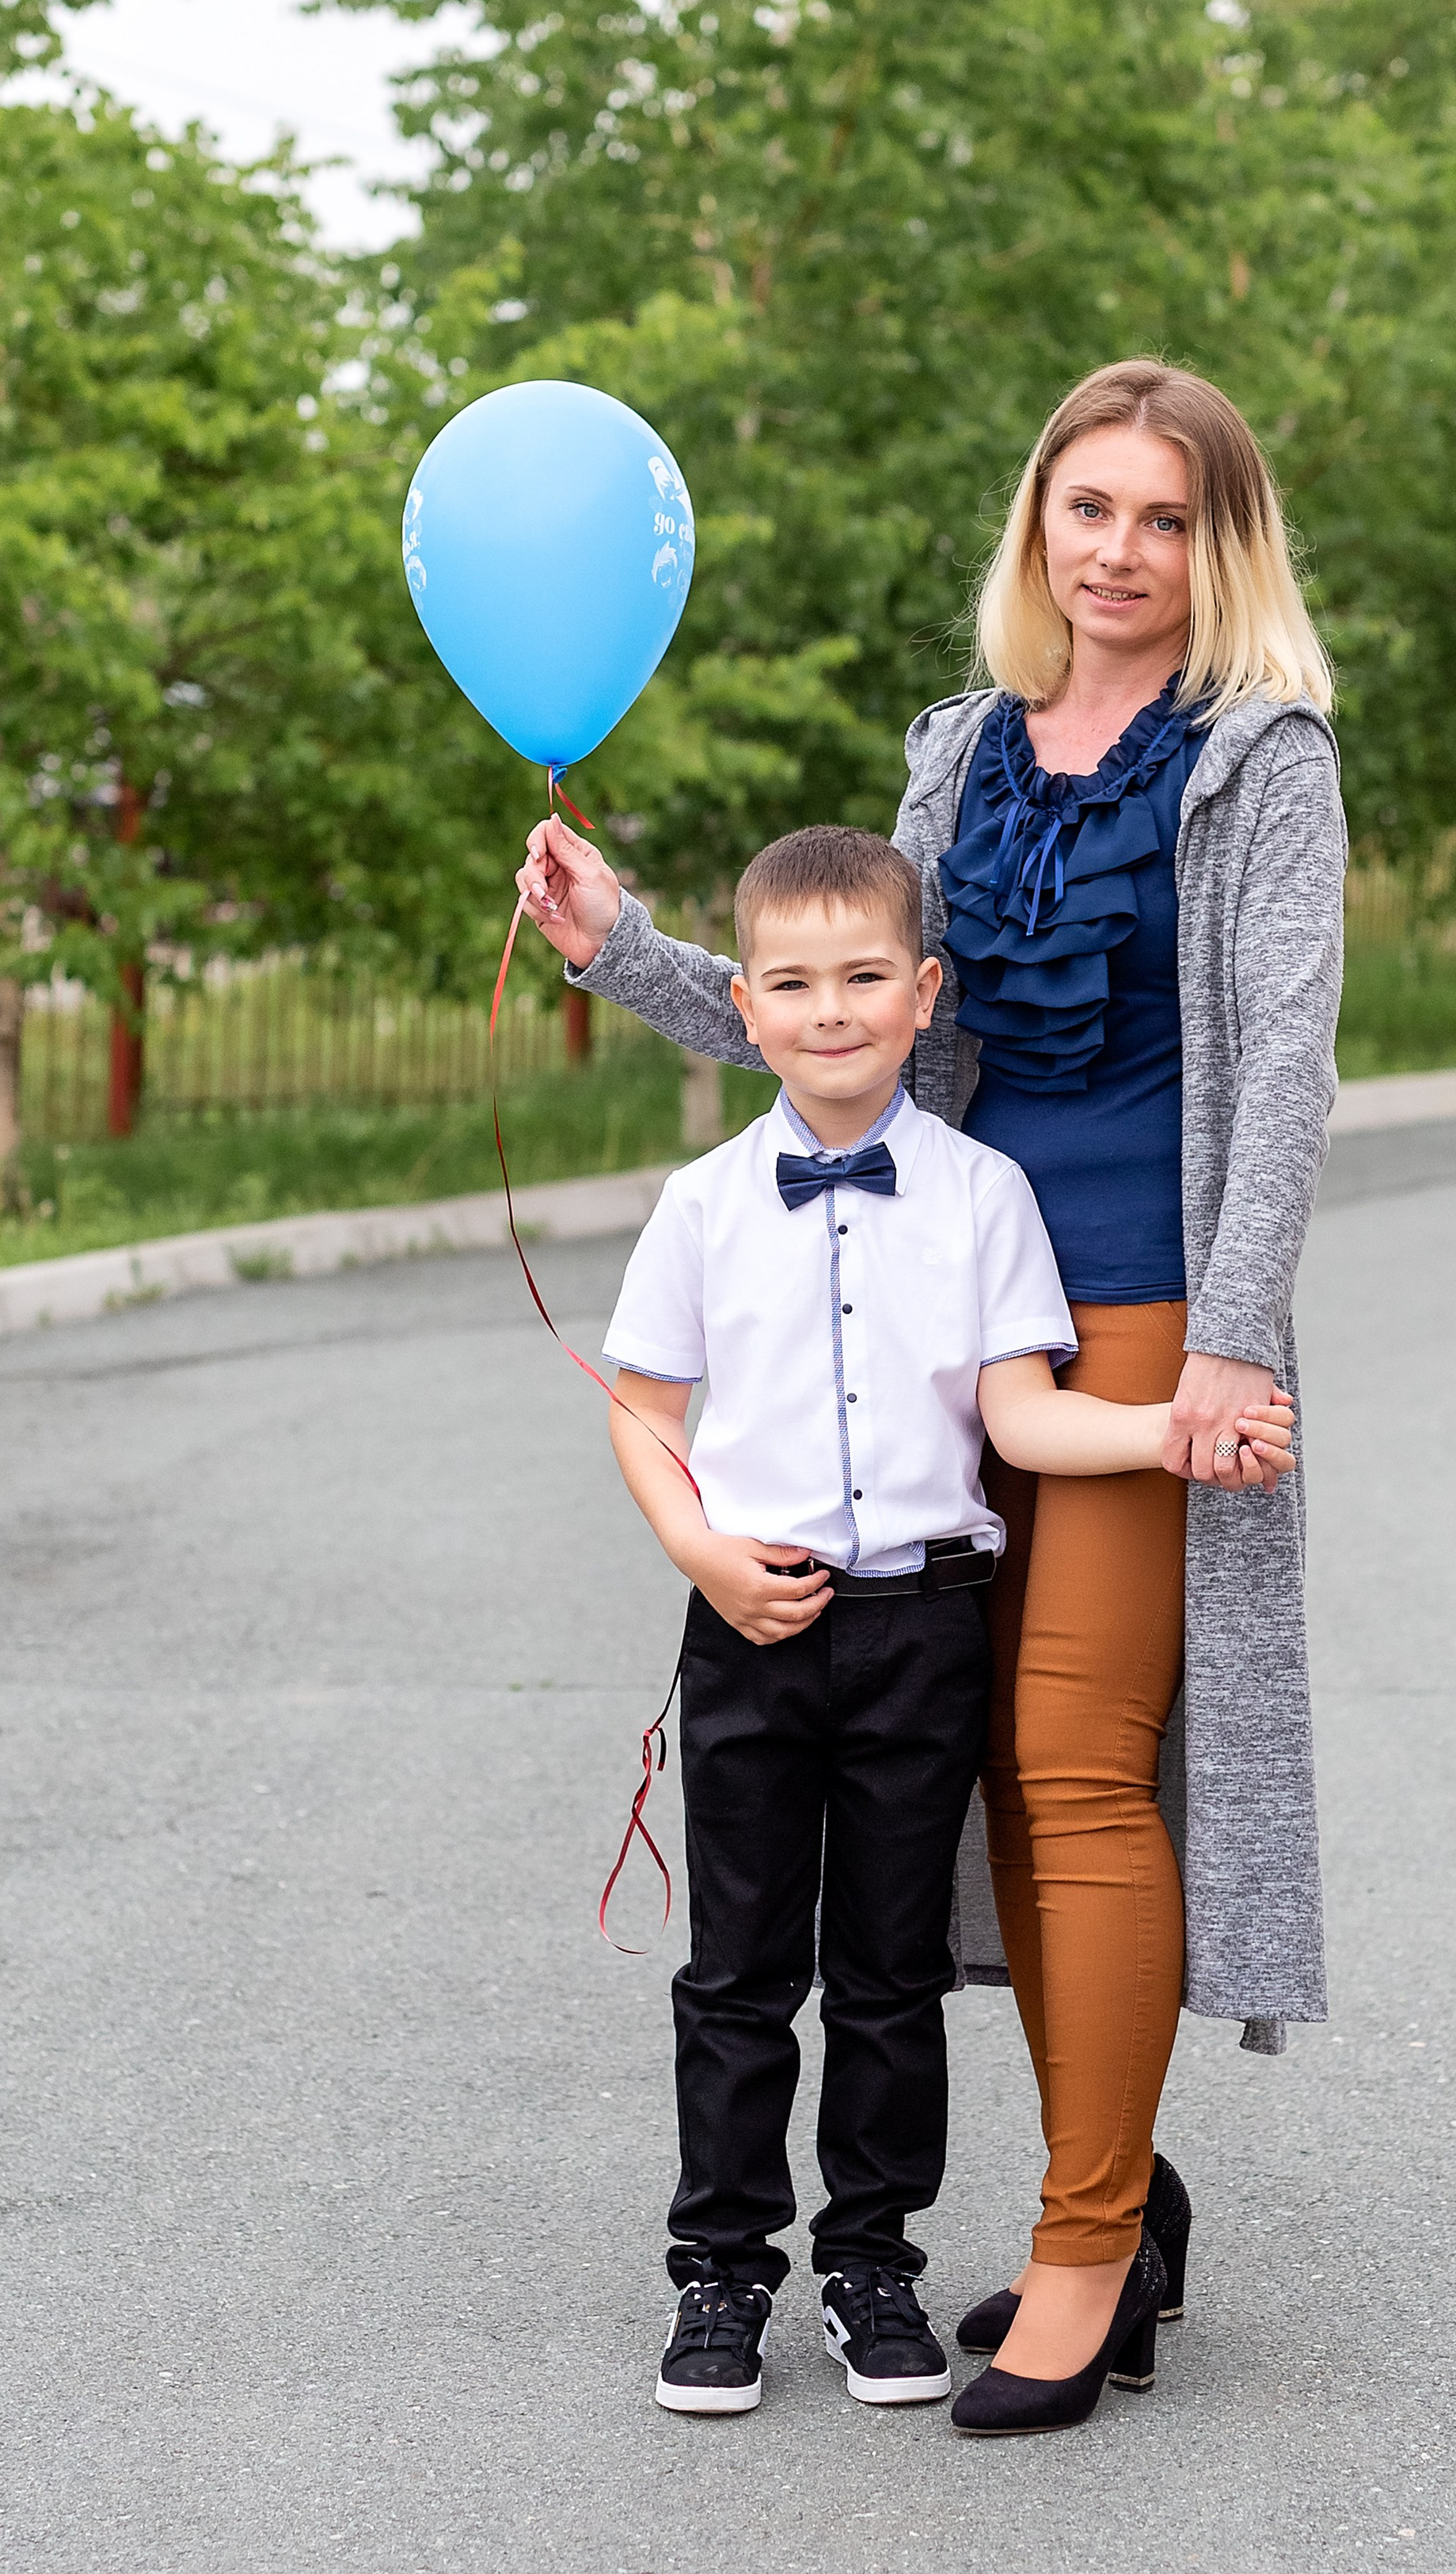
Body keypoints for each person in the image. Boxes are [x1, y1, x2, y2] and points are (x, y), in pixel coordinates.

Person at [520, 358, 1344, 2439]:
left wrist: (1234, 1335)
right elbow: (850, 1002)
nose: (1121, 551)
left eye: (1166, 518)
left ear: (1217, 544)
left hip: (1145, 1316)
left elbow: (1286, 1069)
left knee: (1074, 1760)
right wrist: (629, 947)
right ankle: (1124, 2189)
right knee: (985, 1775)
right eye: (1089, 508)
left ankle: (1079, 2251)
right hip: (950, 1306)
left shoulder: (1261, 763)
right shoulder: (963, 750)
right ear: (1038, 524)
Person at [599, 822, 1295, 2420]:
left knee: (890, 1971)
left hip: (923, 1630)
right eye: (788, 983)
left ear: (926, 996)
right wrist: (701, 1554)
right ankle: (718, 2271)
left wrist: (1172, 1435)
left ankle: (868, 2263)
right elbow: (641, 1411)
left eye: (860, 978)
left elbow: (1027, 1421)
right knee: (738, 1970)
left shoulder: (986, 1198)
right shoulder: (702, 1203)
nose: (825, 1010)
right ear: (744, 1002)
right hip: (751, 1632)